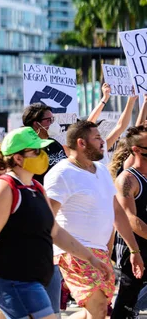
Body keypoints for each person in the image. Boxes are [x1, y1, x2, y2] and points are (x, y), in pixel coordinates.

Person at [0, 127, 112, 319]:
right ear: (18, 158)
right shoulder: (3, 189)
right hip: (13, 281)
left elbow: (55, 231)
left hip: (32, 280)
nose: (43, 155)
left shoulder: (36, 188)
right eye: (36, 151)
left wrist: (91, 258)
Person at [44, 121, 145, 319]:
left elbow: (116, 212)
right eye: (97, 138)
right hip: (73, 252)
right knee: (97, 306)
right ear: (81, 143)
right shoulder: (62, 173)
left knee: (94, 310)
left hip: (99, 252)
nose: (103, 142)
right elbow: (46, 218)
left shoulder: (101, 170)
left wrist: (134, 250)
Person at [112, 126, 147, 318]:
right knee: (126, 305)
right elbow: (130, 218)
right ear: (137, 149)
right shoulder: (128, 179)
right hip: (134, 250)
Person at [22, 103, 67, 184]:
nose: (52, 123)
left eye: (52, 119)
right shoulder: (27, 149)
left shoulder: (54, 144)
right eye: (48, 120)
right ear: (36, 124)